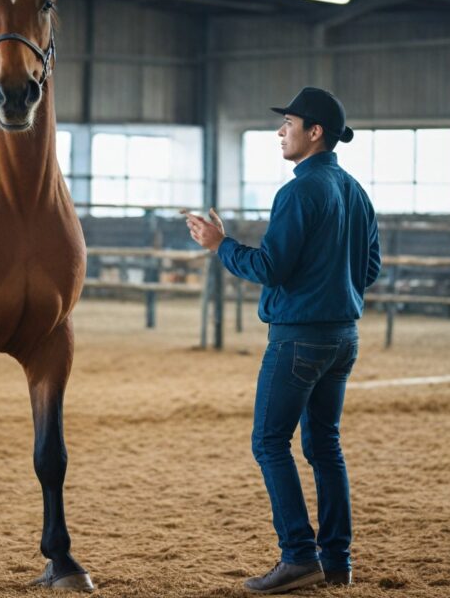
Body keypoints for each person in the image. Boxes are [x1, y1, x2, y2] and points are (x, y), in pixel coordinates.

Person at [183, 87, 381, 594]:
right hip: (343, 336)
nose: (280, 131)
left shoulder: (298, 192)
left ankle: (298, 556)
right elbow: (371, 268)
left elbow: (270, 267)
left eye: (288, 124)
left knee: (270, 442)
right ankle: (336, 561)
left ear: (315, 132)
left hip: (298, 340)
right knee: (325, 446)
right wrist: (331, 287)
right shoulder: (355, 191)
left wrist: (220, 245)